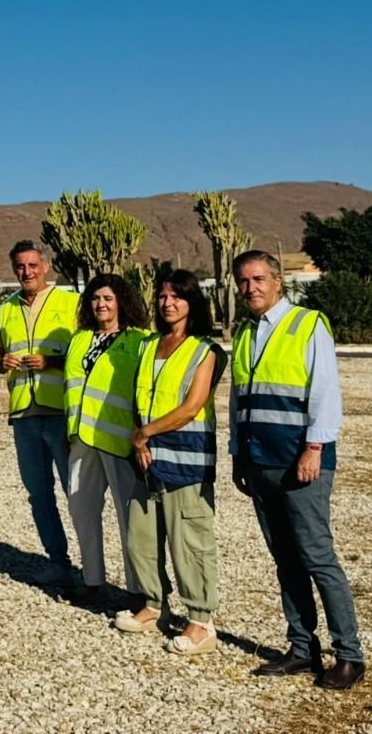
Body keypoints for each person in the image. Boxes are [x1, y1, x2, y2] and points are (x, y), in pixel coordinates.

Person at [230, 249, 365, 688]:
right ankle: (302, 649)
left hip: (300, 461)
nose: (251, 288)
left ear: (278, 281)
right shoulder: (246, 333)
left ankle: (349, 654)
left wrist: (314, 449)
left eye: (259, 279)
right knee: (285, 560)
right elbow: (239, 399)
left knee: (317, 557)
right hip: (259, 461)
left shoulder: (308, 324)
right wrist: (238, 454)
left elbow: (325, 391)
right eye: (244, 282)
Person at [118, 270, 224, 655]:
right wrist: (138, 436)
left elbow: (191, 406)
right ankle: (153, 604)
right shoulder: (149, 345)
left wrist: (146, 433)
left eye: (177, 296)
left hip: (186, 460)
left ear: (192, 302)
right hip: (146, 458)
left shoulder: (204, 350)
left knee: (189, 541)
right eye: (162, 296)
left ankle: (201, 621)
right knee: (141, 537)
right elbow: (137, 396)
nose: (168, 303)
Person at [0, 239, 80, 578]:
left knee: (77, 493)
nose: (26, 272)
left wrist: (51, 361)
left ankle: (94, 568)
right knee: (38, 494)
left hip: (60, 411)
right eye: (19, 267)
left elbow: (88, 353)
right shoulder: (7, 309)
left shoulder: (70, 302)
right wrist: (3, 361)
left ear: (46, 267)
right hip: (24, 414)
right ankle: (58, 561)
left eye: (32, 265)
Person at [62, 273, 148, 605]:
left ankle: (138, 589)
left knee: (130, 516)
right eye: (96, 298)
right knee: (81, 508)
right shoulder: (80, 339)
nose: (101, 304)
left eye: (108, 299)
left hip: (121, 440)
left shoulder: (139, 340)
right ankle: (93, 580)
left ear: (121, 302)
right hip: (81, 438)